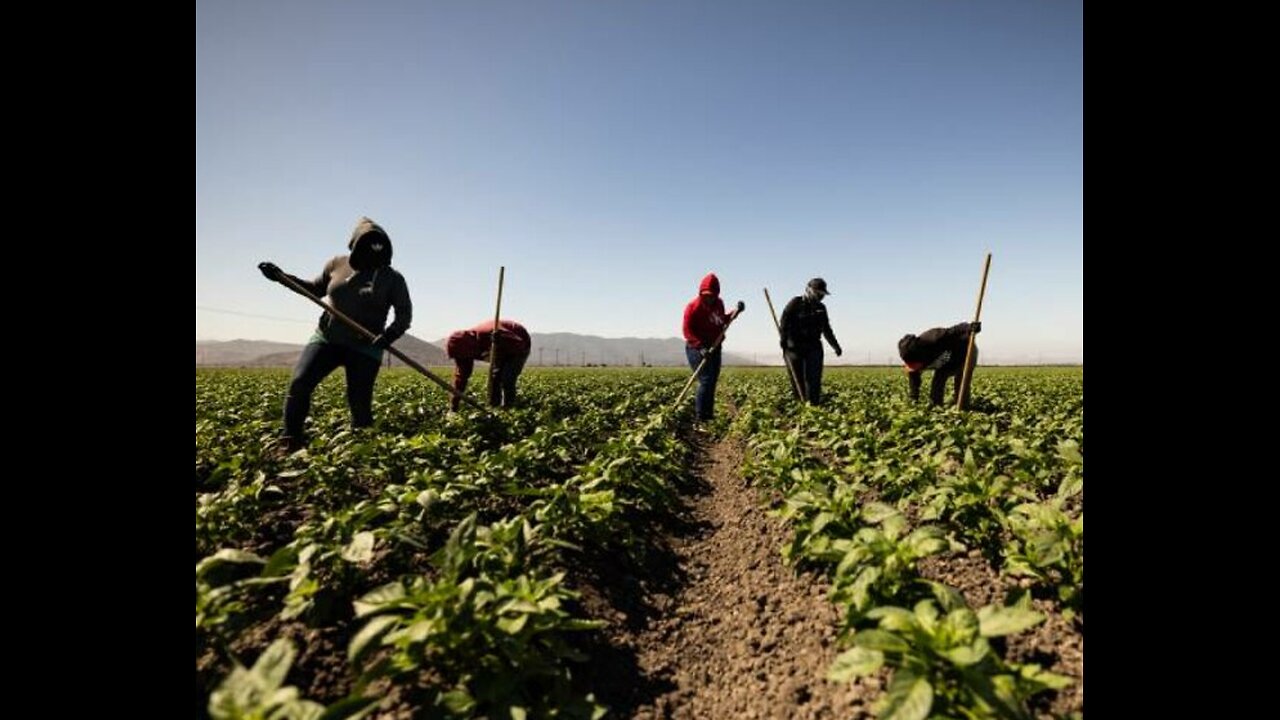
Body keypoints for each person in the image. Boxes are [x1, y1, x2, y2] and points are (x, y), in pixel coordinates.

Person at [257, 217, 412, 450]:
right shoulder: (337, 264)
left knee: (359, 402)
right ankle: (290, 441)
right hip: (328, 338)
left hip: (366, 346)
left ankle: (362, 451)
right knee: (300, 383)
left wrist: (388, 336)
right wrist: (283, 277)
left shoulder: (393, 278)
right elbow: (315, 289)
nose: (371, 263)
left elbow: (404, 315)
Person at [682, 273, 744, 422]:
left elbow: (721, 320)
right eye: (706, 295)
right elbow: (687, 330)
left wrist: (736, 312)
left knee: (713, 380)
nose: (709, 298)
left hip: (715, 345)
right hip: (696, 347)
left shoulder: (718, 304)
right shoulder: (693, 307)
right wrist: (699, 346)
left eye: (712, 295)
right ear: (701, 293)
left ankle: (708, 415)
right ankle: (701, 417)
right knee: (706, 380)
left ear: (717, 294)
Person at [779, 277, 843, 404]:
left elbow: (827, 329)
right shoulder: (795, 303)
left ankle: (814, 406)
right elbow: (784, 322)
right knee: (798, 380)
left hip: (813, 347)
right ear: (808, 290)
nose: (820, 297)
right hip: (794, 348)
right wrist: (783, 339)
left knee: (814, 380)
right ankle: (800, 406)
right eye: (818, 293)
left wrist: (835, 346)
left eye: (822, 294)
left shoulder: (821, 308)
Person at [445, 319, 532, 411]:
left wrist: (500, 343)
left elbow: (520, 345)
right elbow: (461, 377)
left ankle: (509, 408)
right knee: (494, 379)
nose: (462, 361)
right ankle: (494, 407)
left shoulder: (489, 333)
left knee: (507, 378)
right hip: (499, 349)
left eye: (462, 357)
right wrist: (454, 406)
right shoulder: (464, 352)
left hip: (518, 343)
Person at [897, 321, 982, 406]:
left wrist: (970, 328)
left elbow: (957, 329)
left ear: (921, 355)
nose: (915, 368)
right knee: (938, 380)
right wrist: (914, 400)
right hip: (944, 361)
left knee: (961, 383)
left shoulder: (935, 337)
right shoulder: (911, 358)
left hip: (965, 351)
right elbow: (914, 381)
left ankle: (963, 408)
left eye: (915, 364)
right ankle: (936, 407)